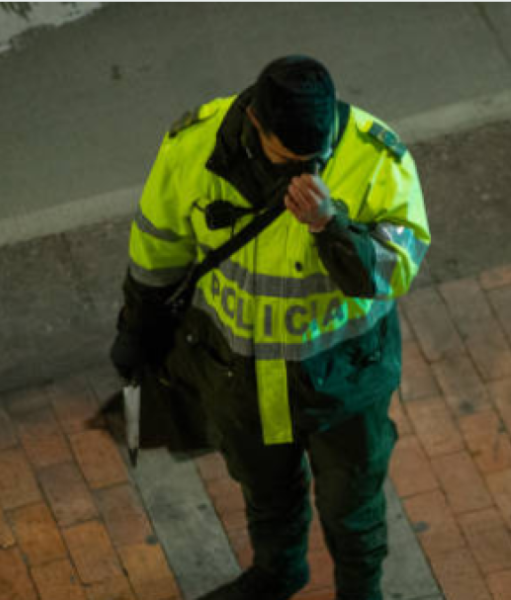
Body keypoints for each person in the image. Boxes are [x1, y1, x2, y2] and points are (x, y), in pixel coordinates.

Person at [110, 55, 430, 600]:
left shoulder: (377, 157)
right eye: (291, 159)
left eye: (316, 157)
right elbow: (158, 244)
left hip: (344, 383)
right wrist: (137, 326)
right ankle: (278, 574)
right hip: (238, 375)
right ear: (257, 124)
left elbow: (391, 272)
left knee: (352, 506)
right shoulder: (193, 146)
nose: (305, 172)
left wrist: (331, 227)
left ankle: (362, 593)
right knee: (265, 492)